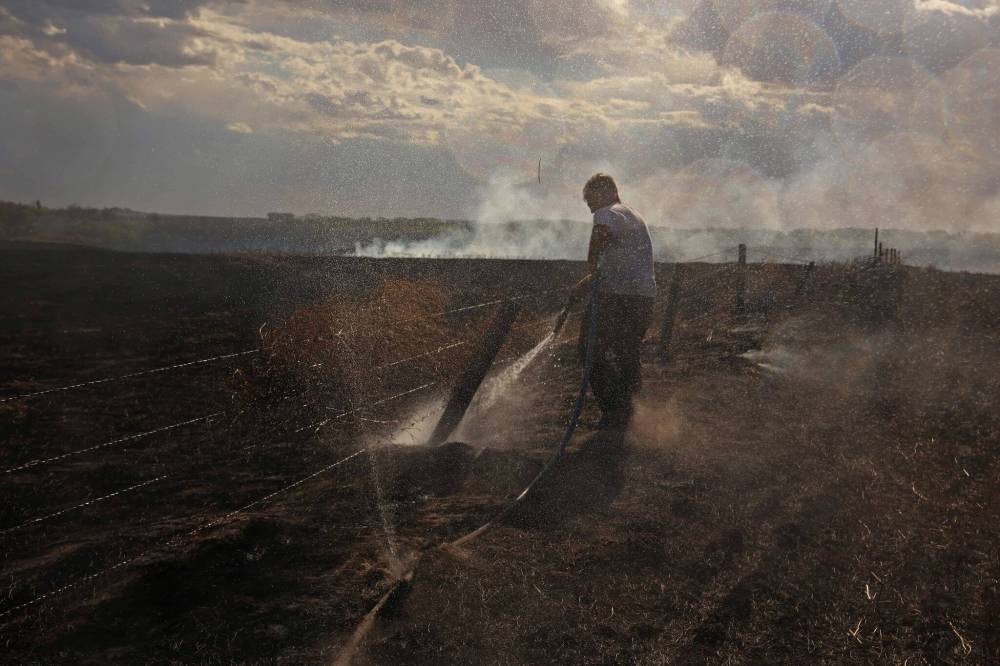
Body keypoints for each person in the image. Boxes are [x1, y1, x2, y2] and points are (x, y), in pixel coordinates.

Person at [575, 173, 656, 430]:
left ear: (604, 192)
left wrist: (591, 273)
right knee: (627, 353)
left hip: (617, 297)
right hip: (644, 296)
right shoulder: (634, 215)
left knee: (589, 350)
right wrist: (588, 281)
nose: (590, 207)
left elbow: (597, 248)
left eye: (590, 200)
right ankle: (630, 413)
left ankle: (615, 410)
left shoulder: (607, 213)